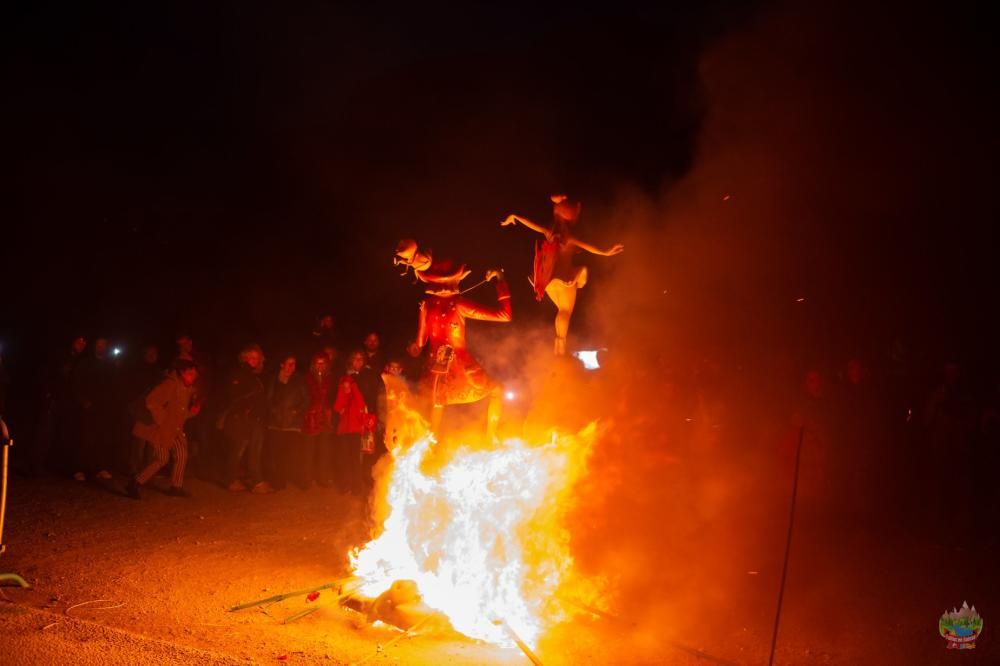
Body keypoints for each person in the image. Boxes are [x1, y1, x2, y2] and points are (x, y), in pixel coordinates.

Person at [502, 194, 624, 355]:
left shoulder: (549, 232)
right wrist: (606, 252)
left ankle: (559, 347)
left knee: (561, 310)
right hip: (565, 280)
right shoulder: (570, 238)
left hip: (548, 281)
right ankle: (559, 350)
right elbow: (591, 247)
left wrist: (515, 216)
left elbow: (531, 224)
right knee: (565, 311)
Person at [405, 266, 512, 441]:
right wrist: (500, 279)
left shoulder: (431, 304)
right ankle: (490, 438)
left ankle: (434, 442)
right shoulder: (455, 304)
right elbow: (504, 315)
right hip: (459, 366)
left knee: (438, 402)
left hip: (436, 369)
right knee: (496, 390)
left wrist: (422, 311)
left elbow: (419, 344)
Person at [126, 359, 200, 499]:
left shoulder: (188, 389)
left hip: (174, 429)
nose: (193, 377)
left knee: (181, 453)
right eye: (190, 373)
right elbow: (151, 401)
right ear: (181, 373)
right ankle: (134, 483)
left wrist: (193, 411)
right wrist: (163, 421)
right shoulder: (170, 384)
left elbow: (181, 413)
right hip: (159, 429)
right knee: (161, 459)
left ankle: (176, 486)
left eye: (194, 374)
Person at [221, 344, 272, 493]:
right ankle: (233, 480)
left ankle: (255, 480)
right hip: (243, 419)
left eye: (256, 358)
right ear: (244, 358)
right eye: (250, 357)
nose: (253, 360)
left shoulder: (256, 375)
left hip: (256, 419)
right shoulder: (239, 374)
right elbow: (235, 396)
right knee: (239, 449)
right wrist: (245, 410)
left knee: (254, 450)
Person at [334, 350, 384, 494]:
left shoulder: (368, 376)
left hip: (362, 421)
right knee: (345, 456)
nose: (358, 362)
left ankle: (359, 484)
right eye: (355, 359)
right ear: (350, 361)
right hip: (346, 423)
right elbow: (338, 403)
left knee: (361, 454)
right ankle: (347, 484)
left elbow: (368, 397)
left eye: (360, 359)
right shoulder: (344, 378)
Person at [71, 336, 117, 481]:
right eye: (99, 344)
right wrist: (83, 400)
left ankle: (100, 468)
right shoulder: (86, 363)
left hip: (104, 408)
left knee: (102, 438)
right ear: (94, 346)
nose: (101, 347)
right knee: (85, 438)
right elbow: (76, 382)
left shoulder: (110, 365)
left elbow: (114, 386)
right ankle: (79, 469)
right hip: (89, 407)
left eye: (104, 345)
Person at [264, 353, 308, 490]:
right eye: (289, 364)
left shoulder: (299, 380)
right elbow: (267, 398)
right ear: (282, 364)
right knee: (274, 453)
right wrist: (273, 411)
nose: (291, 367)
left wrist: (296, 411)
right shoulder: (273, 379)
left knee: (287, 454)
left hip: (292, 424)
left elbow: (306, 399)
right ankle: (275, 481)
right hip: (275, 423)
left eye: (293, 364)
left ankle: (283, 480)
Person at [302, 352, 336, 488]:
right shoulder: (307, 378)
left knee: (324, 451)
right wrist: (309, 408)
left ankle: (322, 478)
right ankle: (306, 479)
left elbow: (333, 396)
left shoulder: (331, 379)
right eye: (318, 363)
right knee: (308, 451)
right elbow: (303, 396)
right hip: (311, 417)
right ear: (313, 365)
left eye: (323, 363)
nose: (320, 365)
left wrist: (330, 410)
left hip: (325, 419)